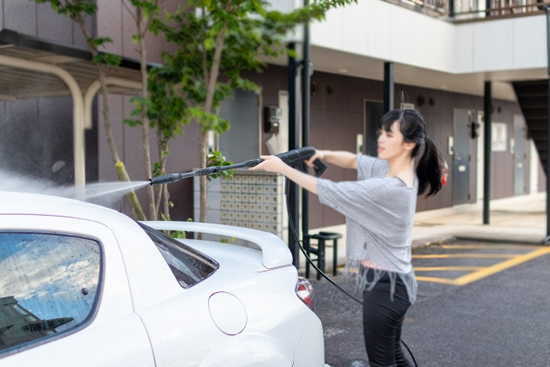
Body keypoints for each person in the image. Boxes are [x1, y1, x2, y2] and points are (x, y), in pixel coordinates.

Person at [250, 108, 443, 367]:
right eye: (381, 132)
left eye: (389, 134)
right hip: (396, 283)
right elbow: (354, 160)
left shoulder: (390, 187)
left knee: (382, 361)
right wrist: (323, 155)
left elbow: (332, 191)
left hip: (386, 289)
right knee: (394, 353)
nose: (381, 139)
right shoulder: (391, 170)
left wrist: (283, 168)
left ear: (408, 144)